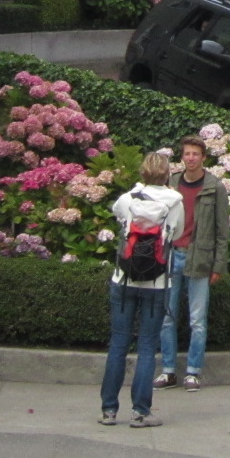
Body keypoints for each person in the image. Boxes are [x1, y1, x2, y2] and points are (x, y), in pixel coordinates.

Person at [100, 153, 185, 428]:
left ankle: (109, 410)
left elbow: (116, 214)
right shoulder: (175, 202)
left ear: (143, 172)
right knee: (147, 347)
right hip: (157, 284)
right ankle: (140, 412)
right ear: (167, 174)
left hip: (124, 280)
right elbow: (178, 234)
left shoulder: (128, 199)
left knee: (118, 343)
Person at [154, 136, 229, 393]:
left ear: (203, 158)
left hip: (200, 258)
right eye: (187, 153)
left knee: (197, 320)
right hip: (172, 256)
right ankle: (168, 371)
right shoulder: (172, 183)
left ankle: (193, 372)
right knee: (167, 317)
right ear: (182, 157)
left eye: (196, 154)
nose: (191, 158)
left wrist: (218, 266)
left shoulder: (214, 187)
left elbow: (222, 231)